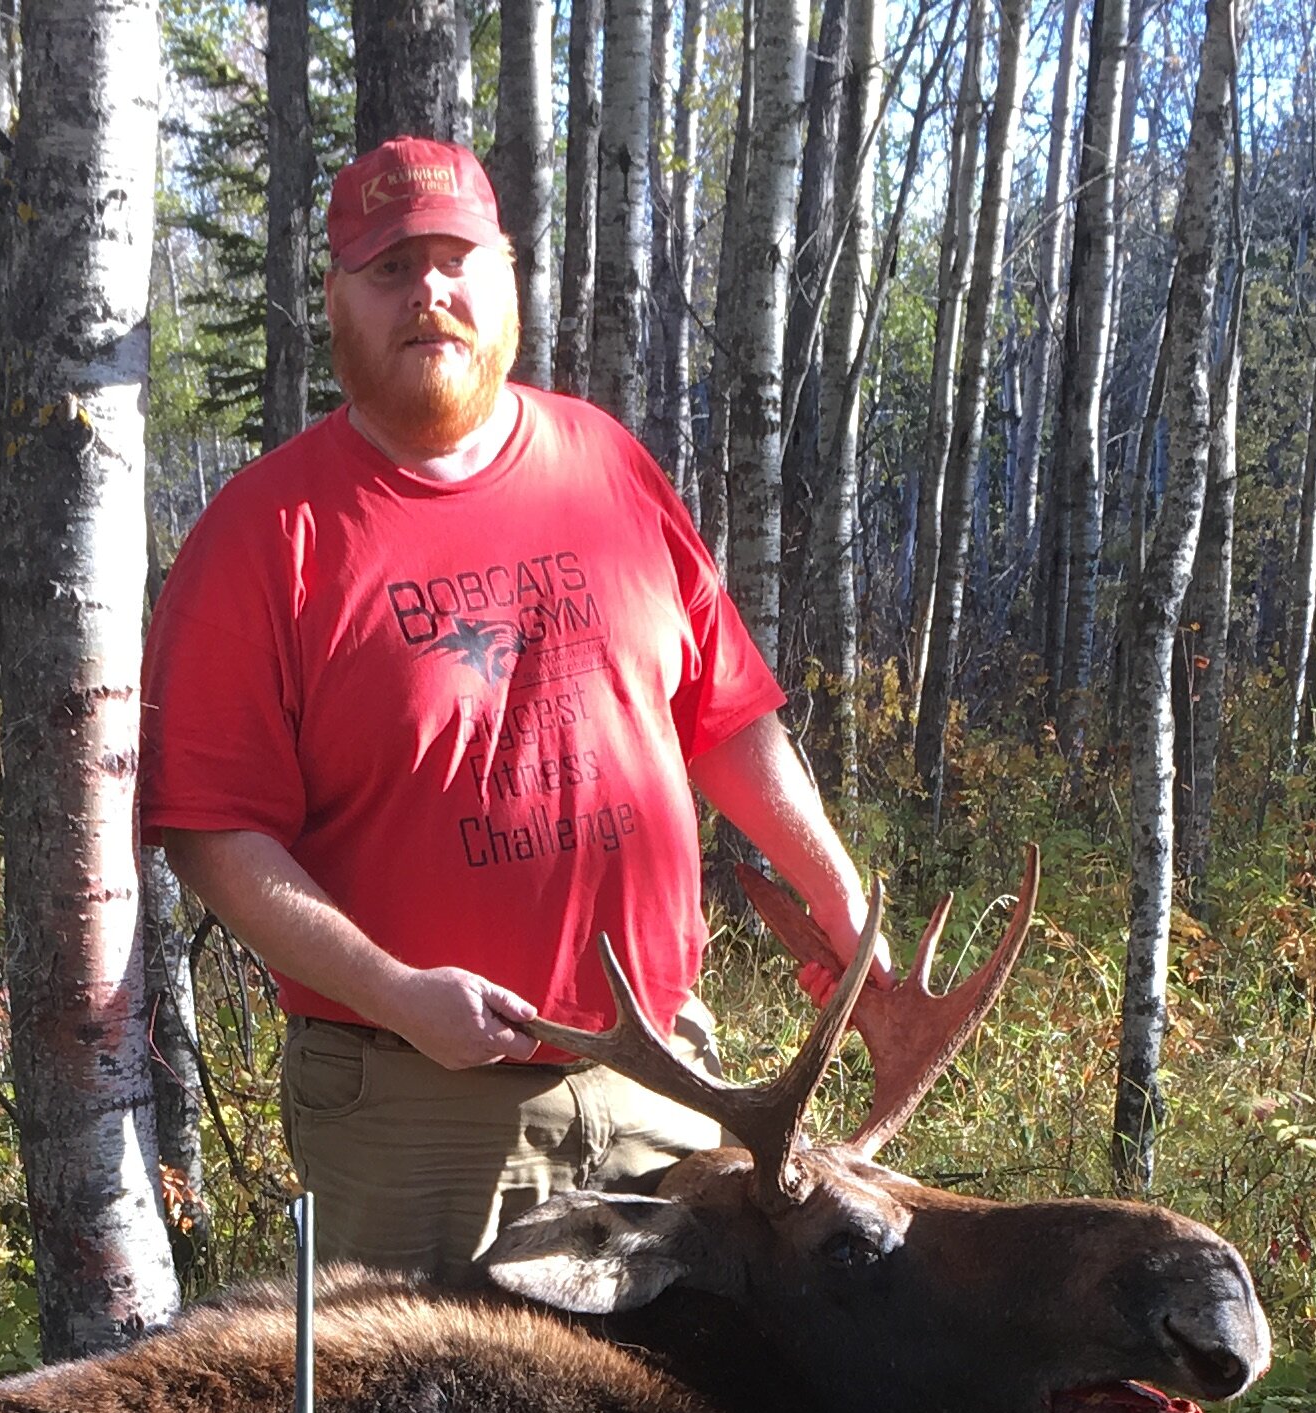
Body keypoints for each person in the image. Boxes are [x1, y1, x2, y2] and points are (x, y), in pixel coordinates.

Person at [140, 135, 883, 1275]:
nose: (428, 292)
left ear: (507, 277)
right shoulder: (264, 538)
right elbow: (212, 831)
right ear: (336, 301)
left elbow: (725, 715)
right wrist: (393, 992)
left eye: (455, 259)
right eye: (388, 269)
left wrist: (841, 904)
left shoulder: (607, 466)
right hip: (417, 1112)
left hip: (667, 1090)